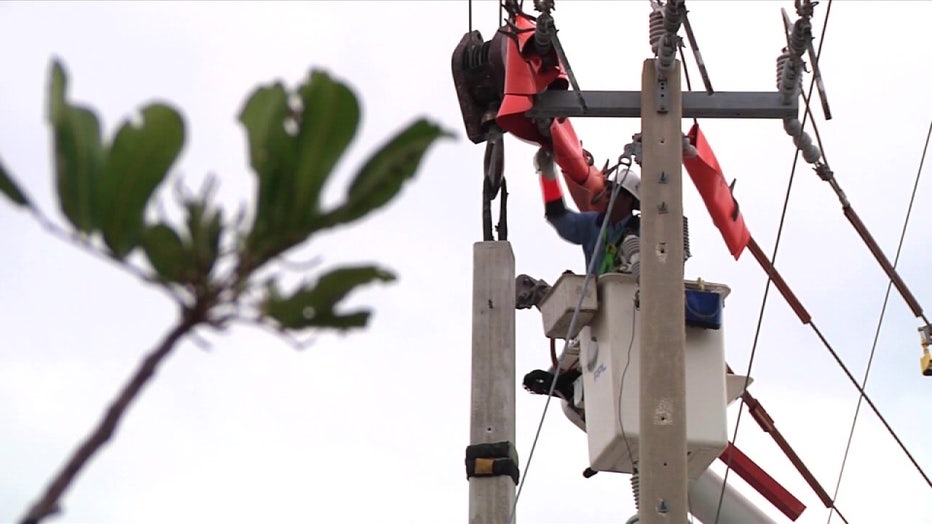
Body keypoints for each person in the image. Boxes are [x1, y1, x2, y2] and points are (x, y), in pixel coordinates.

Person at [535, 147, 641, 275]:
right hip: (596, 292)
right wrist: (548, 176)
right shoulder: (593, 224)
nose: (606, 193)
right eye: (606, 187)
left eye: (613, 189)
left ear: (628, 199)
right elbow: (560, 218)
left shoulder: (643, 231)